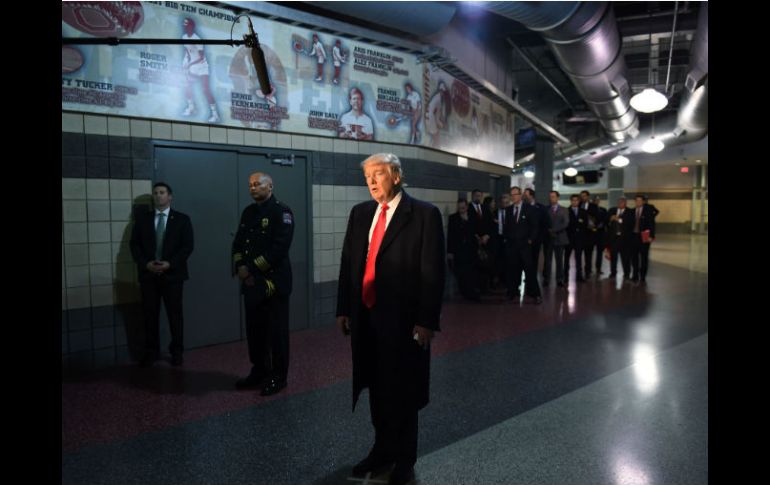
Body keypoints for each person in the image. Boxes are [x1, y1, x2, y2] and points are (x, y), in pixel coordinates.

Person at [336, 153, 445, 485]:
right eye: (367, 175)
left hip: (405, 322)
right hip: (367, 318)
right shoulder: (360, 214)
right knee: (376, 388)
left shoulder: (423, 215)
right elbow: (349, 264)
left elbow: (433, 272)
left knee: (404, 390)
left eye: (378, 174)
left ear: (396, 176)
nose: (371, 181)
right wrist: (344, 308)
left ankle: (404, 459)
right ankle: (381, 450)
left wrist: (426, 321)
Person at [231, 172, 294, 396]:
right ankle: (259, 370)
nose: (253, 188)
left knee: (276, 333)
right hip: (251, 282)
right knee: (255, 331)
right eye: (250, 185)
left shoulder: (281, 211)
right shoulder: (249, 212)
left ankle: (279, 376)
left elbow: (279, 248)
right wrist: (239, 266)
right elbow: (239, 242)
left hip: (273, 282)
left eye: (257, 184)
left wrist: (251, 268)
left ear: (270, 186)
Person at [130, 182, 194, 367]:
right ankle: (152, 351)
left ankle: (177, 352)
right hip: (149, 276)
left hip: (172, 276)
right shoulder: (143, 219)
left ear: (170, 196)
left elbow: (187, 246)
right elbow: (134, 245)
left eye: (162, 192)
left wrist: (170, 263)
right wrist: (146, 264)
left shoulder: (182, 219)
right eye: (155, 193)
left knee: (175, 315)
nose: (158, 196)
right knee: (150, 315)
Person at [503, 186, 542, 303]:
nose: (513, 197)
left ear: (520, 195)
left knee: (529, 270)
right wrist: (507, 240)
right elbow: (507, 227)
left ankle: (535, 294)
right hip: (512, 246)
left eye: (515, 194)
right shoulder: (508, 210)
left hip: (525, 246)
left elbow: (535, 227)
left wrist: (530, 240)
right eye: (512, 195)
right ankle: (512, 292)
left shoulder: (529, 209)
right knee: (513, 270)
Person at [181, 17, 220, 123]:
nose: (185, 28)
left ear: (192, 27)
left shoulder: (197, 39)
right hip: (192, 65)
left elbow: (201, 57)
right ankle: (191, 108)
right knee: (186, 85)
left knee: (205, 90)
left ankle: (215, 115)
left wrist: (190, 64)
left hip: (202, 66)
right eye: (184, 26)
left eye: (187, 26)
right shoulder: (184, 37)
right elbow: (187, 52)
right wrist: (185, 62)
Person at [447, 199, 480, 301]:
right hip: (459, 250)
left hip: (471, 249)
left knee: (471, 272)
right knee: (461, 272)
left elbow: (475, 231)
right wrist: (450, 251)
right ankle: (465, 291)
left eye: (463, 207)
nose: (461, 209)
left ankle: (471, 292)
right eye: (460, 207)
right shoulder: (453, 218)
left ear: (467, 207)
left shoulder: (473, 217)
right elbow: (450, 236)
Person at [543, 190, 570, 288]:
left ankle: (560, 279)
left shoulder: (564, 210)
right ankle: (546, 279)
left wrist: (553, 230)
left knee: (559, 261)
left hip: (560, 238)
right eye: (550, 197)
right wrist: (548, 231)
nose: (552, 198)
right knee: (547, 260)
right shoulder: (546, 210)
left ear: (558, 198)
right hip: (548, 239)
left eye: (553, 196)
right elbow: (543, 223)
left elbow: (565, 223)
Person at [630, 194, 657, 284]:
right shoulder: (632, 211)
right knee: (634, 257)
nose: (638, 202)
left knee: (644, 257)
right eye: (636, 200)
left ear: (643, 202)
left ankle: (642, 276)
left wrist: (651, 236)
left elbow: (652, 224)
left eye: (640, 200)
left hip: (644, 236)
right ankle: (635, 275)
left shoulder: (648, 211)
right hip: (633, 237)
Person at [607, 196, 634, 279]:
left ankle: (626, 274)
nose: (620, 204)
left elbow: (631, 224)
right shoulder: (612, 210)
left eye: (622, 202)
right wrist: (610, 219)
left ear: (625, 203)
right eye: (619, 202)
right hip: (613, 239)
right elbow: (606, 222)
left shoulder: (630, 212)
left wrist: (619, 219)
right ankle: (613, 272)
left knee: (625, 258)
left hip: (625, 239)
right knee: (613, 257)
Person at [424, 81, 450, 148]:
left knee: (436, 137)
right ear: (441, 91)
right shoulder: (438, 99)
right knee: (437, 137)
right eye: (443, 92)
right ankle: (436, 150)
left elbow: (437, 117)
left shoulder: (437, 97)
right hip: (430, 117)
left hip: (428, 117)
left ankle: (434, 148)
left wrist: (441, 124)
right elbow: (438, 117)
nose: (443, 94)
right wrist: (443, 125)